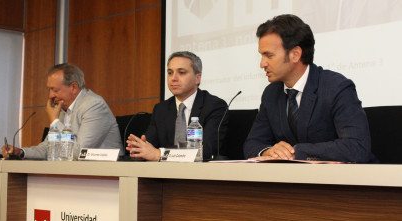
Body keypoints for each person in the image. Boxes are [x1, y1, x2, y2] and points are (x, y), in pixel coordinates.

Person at [243, 14, 377, 163]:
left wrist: (295, 152)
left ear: (295, 54)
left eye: (269, 55)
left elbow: (356, 147)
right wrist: (268, 151)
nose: (262, 64)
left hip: (347, 182)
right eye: (262, 56)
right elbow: (252, 143)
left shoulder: (336, 87)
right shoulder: (271, 93)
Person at [3, 63, 123, 159]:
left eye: (55, 90)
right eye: (49, 90)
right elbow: (48, 149)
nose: (50, 96)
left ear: (73, 88)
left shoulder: (93, 105)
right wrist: (20, 152)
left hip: (107, 176)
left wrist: (55, 121)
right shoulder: (63, 110)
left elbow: (79, 152)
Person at [126, 51, 228, 161]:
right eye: (170, 73)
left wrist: (160, 154)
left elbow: (207, 150)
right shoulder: (161, 109)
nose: (173, 78)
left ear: (197, 78)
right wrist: (140, 148)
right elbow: (150, 147)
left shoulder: (214, 106)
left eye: (182, 72)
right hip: (163, 175)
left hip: (200, 174)